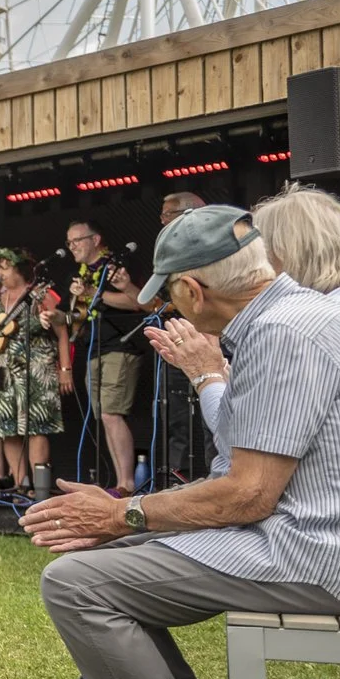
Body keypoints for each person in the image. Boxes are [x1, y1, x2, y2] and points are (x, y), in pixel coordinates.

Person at [16, 204, 340, 679]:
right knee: (102, 563)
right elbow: (248, 475)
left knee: (77, 584)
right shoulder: (291, 320)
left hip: (334, 558)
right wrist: (124, 516)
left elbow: (248, 494)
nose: (173, 306)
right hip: (335, 543)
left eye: (171, 294)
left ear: (192, 288)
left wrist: (125, 512)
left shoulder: (287, 333)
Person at [155, 184, 340, 443]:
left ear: (281, 255)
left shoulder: (307, 329)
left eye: (255, 251)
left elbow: (241, 438)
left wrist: (206, 373)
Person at [63, 220, 146, 494]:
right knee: (104, 416)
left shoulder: (113, 265)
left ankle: (127, 483)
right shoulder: (85, 272)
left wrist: (91, 294)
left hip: (120, 346)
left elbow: (138, 302)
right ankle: (121, 482)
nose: (72, 246)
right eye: (69, 242)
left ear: (95, 239)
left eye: (77, 240)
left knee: (112, 413)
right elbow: (89, 313)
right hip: (94, 346)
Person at [0, 249, 64, 495]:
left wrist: (65, 369)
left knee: (36, 429)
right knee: (7, 428)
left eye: (4, 268)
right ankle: (20, 484)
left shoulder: (40, 295)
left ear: (20, 270)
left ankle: (40, 487)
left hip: (36, 369)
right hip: (1, 370)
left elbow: (63, 331)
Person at [153, 190, 209, 479]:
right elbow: (155, 301)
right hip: (176, 340)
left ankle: (217, 476)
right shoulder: (169, 250)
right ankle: (178, 476)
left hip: (211, 341)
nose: (162, 220)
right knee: (174, 412)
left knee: (213, 412)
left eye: (167, 214)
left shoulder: (212, 246)